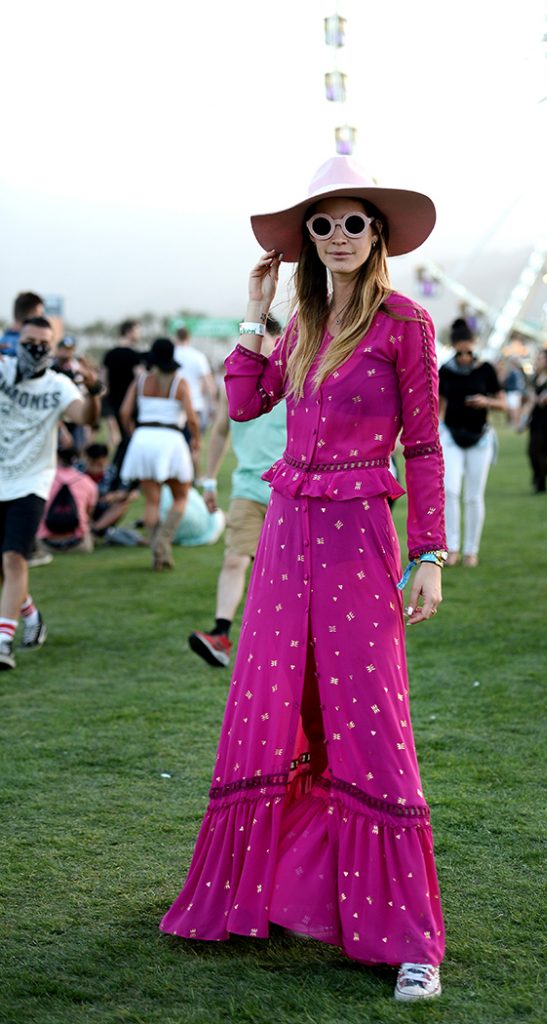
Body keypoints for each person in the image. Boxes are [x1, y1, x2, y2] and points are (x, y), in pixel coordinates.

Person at [160, 155, 447, 1002]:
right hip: (287, 533)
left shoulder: (407, 324)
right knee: (269, 699)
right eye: (322, 224)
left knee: (370, 712)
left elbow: (424, 447)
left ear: (379, 233)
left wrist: (427, 555)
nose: (337, 237)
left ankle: (409, 940)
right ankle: (261, 892)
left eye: (353, 222)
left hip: (361, 535)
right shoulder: (302, 326)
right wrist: (254, 315)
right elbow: (246, 406)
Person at [0, 316, 102, 671]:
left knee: (15, 559)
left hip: (31, 482)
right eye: (29, 341)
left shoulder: (58, 386)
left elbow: (85, 417)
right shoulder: (3, 369)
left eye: (44, 343)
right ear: (15, 340)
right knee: (3, 565)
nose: (36, 349)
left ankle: (2, 642)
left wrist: (93, 390)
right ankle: (31, 615)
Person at [188, 315, 286, 668]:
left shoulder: (293, 381)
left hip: (288, 492)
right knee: (234, 559)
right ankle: (220, 634)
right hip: (247, 487)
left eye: (261, 344)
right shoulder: (238, 383)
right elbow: (218, 432)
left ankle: (279, 643)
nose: (252, 353)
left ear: (279, 343)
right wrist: (210, 480)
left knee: (280, 575)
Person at [119, 337, 200, 569]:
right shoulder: (179, 382)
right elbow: (192, 419)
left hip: (143, 439)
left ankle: (156, 546)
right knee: (181, 496)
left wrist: (132, 432)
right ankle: (163, 540)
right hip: (171, 440)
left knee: (152, 501)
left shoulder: (141, 380)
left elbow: (125, 412)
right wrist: (197, 440)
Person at [438, 317, 506, 567]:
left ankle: (471, 550)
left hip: (480, 438)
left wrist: (485, 401)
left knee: (474, 496)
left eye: (469, 350)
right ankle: (452, 547)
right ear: (454, 346)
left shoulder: (485, 369)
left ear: (474, 345)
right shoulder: (446, 370)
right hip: (452, 436)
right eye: (461, 351)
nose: (465, 356)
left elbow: (504, 403)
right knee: (450, 490)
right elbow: (439, 405)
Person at [36, 447, 99, 553]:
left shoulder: (43, 479)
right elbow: (89, 513)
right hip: (79, 544)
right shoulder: (87, 482)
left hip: (46, 544)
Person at [102, 319, 142, 465]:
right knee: (128, 439)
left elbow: (103, 382)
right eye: (137, 331)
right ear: (129, 331)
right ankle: (119, 470)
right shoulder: (134, 356)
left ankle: (117, 468)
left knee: (121, 439)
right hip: (130, 405)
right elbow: (139, 379)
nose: (139, 334)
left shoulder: (109, 354)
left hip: (114, 403)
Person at [524, 346, 547, 493]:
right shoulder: (535, 377)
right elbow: (531, 397)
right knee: (535, 451)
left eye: (542, 358)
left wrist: (544, 399)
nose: (539, 360)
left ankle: (544, 480)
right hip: (536, 417)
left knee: (538, 451)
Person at [0, 291, 44, 357]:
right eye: (40, 313)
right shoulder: (30, 346)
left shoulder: (3, 339)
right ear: (32, 314)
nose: (42, 318)